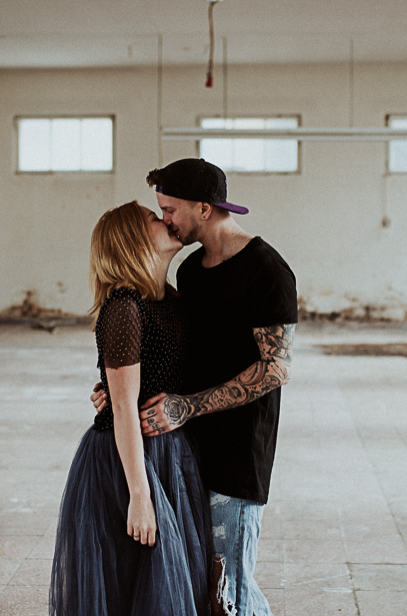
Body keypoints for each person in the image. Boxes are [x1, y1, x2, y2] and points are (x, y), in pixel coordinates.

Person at [94, 158, 297, 616]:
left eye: (169, 209)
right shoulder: (190, 272)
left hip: (238, 457)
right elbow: (179, 351)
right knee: (201, 588)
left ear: (204, 209)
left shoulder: (267, 270)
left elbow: (276, 369)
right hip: (185, 457)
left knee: (231, 595)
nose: (165, 218)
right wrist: (121, 389)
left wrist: (187, 407)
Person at [50, 201, 212, 616]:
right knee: (131, 582)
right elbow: (122, 410)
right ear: (133, 240)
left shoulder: (171, 300)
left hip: (166, 453)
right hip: (127, 462)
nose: (165, 221)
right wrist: (139, 495)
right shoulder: (124, 307)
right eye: (153, 218)